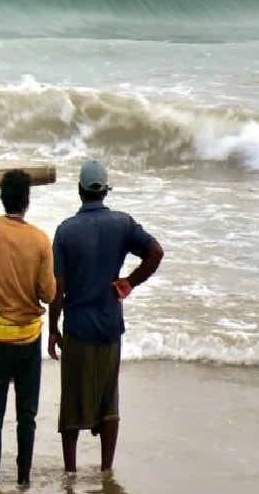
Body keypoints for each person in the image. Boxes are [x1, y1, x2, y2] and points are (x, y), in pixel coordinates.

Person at [48, 161, 164, 474]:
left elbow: (58, 287)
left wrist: (53, 328)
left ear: (80, 191)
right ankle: (105, 470)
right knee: (108, 400)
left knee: (72, 402)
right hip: (110, 324)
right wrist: (131, 281)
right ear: (105, 191)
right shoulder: (123, 224)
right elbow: (156, 252)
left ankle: (70, 471)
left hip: (77, 326)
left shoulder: (66, 231)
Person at [0, 170, 55, 488]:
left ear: (2, 198)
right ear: (27, 201)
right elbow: (48, 294)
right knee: (27, 415)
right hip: (27, 338)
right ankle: (23, 479)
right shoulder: (39, 240)